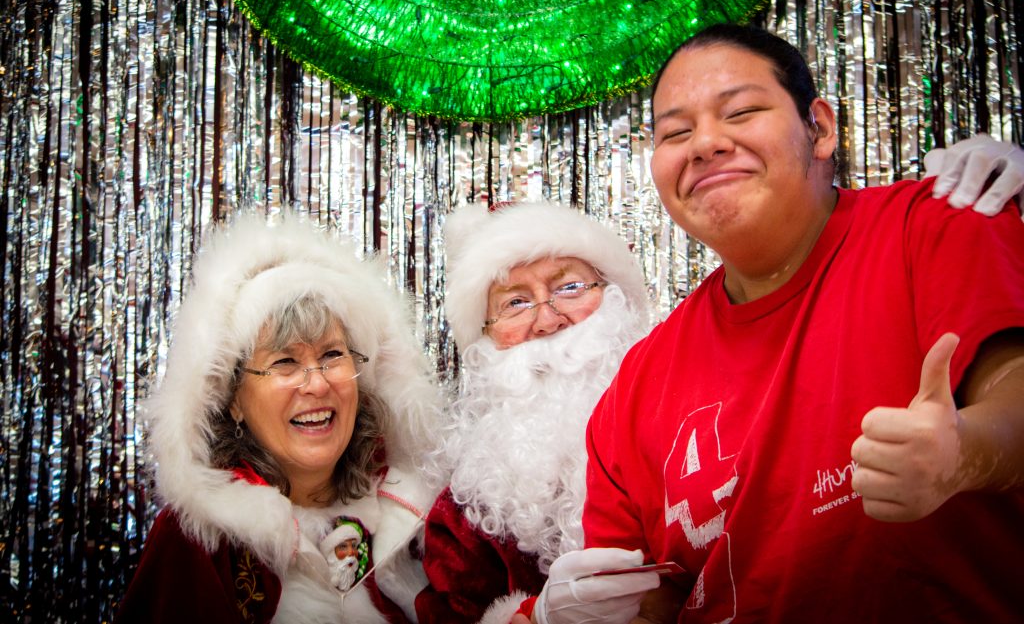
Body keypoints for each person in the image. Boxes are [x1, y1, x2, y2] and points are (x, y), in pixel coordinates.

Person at [582, 23, 1024, 623]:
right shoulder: (635, 385)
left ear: (819, 127)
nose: (705, 144)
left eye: (740, 112)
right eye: (676, 132)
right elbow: (647, 592)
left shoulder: (936, 225)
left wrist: (964, 452)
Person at [116, 213, 442, 624]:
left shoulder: (416, 516)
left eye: (332, 355)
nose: (317, 385)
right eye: (285, 362)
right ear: (234, 398)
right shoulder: (200, 539)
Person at [414, 201, 662, 624]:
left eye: (568, 288)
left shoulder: (694, 426)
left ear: (614, 296)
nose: (547, 320)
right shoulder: (464, 516)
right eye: (515, 303)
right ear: (487, 337)